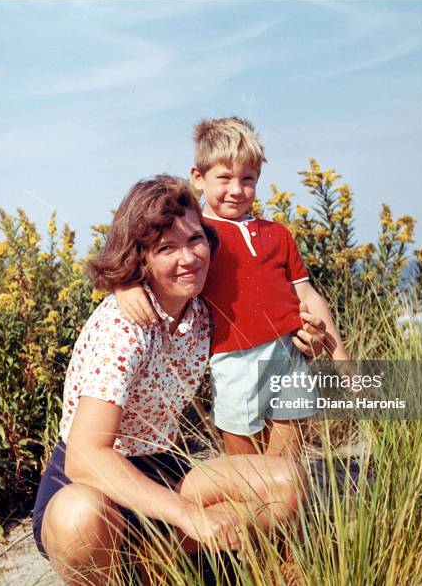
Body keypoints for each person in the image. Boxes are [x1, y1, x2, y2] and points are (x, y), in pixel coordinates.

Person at [32, 175, 307, 585]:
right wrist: (189, 515)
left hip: (166, 467)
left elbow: (265, 295)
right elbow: (86, 456)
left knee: (287, 481)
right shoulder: (123, 324)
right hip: (96, 483)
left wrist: (304, 330)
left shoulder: (202, 308)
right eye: (166, 249)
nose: (188, 258)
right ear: (141, 259)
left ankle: (151, 565)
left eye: (195, 240)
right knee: (79, 518)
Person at [116, 117, 353, 459]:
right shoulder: (194, 234)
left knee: (287, 467)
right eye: (224, 178)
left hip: (290, 354)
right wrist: (126, 287)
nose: (237, 190)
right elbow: (150, 263)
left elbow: (307, 294)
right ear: (198, 177)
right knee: (246, 472)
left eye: (248, 179)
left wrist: (340, 355)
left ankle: (288, 514)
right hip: (235, 360)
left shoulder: (278, 234)